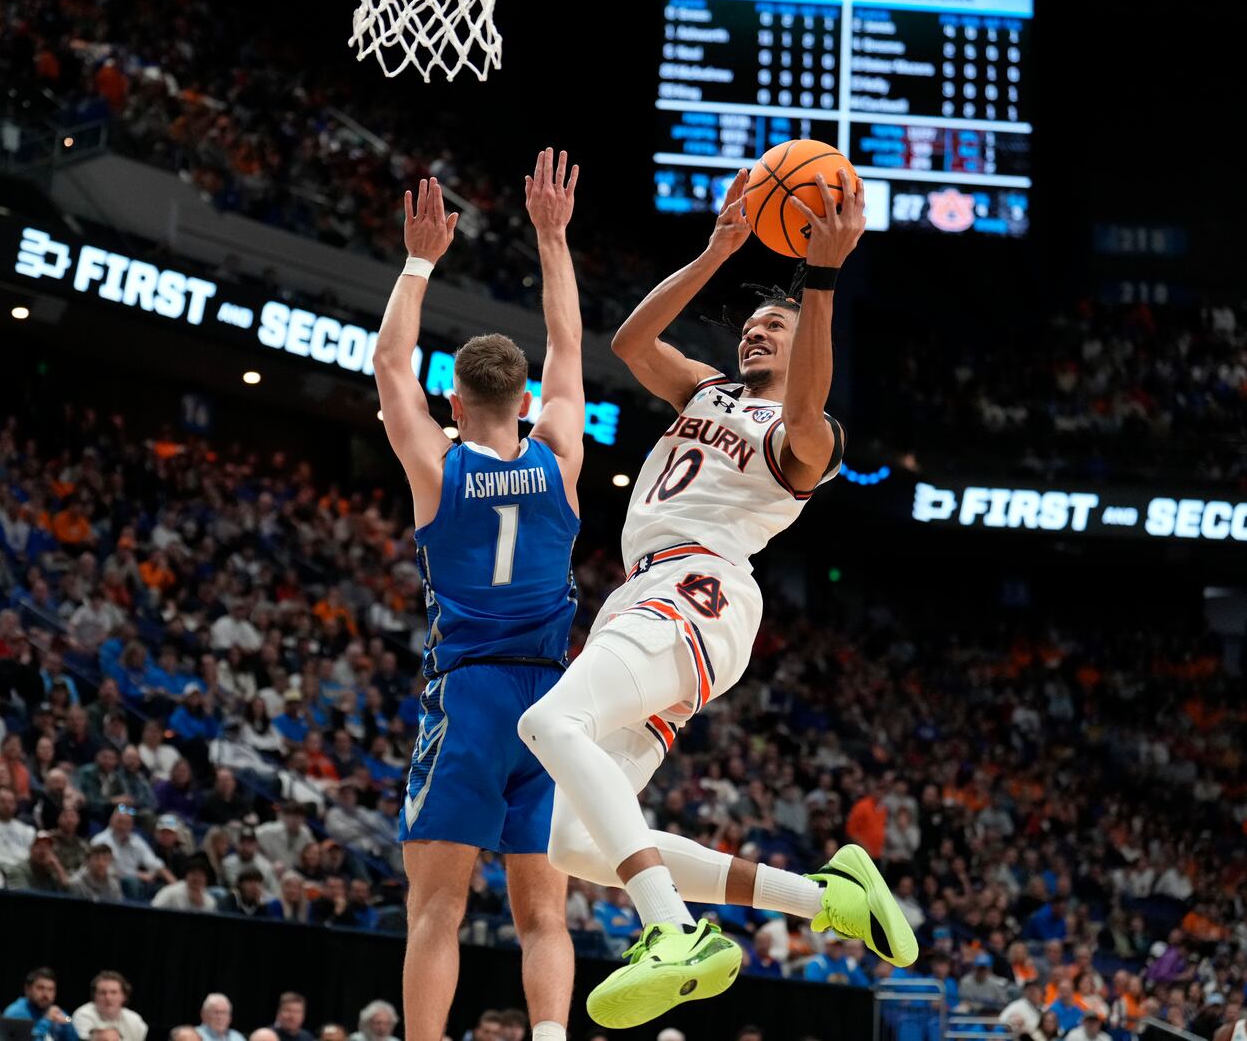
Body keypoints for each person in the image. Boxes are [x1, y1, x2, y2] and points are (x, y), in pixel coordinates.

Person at [515, 165, 913, 1027]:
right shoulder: (707, 390)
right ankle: (824, 897)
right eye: (753, 324)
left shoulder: (806, 438)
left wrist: (822, 283)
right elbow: (629, 341)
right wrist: (715, 250)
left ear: (808, 343)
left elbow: (811, 393)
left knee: (548, 725)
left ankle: (676, 932)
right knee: (570, 841)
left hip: (697, 593)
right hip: (651, 598)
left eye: (777, 326)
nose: (755, 335)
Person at [376, 155, 584, 1041]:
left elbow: (389, 360)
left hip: (469, 697)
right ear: (527, 399)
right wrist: (551, 235)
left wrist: (420, 262)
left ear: (453, 398)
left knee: (437, 910)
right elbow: (571, 344)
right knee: (544, 913)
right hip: (554, 702)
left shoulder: (437, 467)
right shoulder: (561, 455)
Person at [1, 968, 81, 1041]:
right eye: (40, 988)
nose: (46, 994)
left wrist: (67, 1024)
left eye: (50, 989)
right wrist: (46, 1020)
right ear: (27, 989)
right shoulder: (16, 1013)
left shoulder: (55, 1011)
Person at [72, 972, 147, 1041]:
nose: (108, 997)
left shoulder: (134, 1020)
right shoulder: (83, 1015)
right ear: (94, 996)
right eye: (102, 993)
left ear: (124, 996)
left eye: (113, 992)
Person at [151, 853, 217, 912]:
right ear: (186, 875)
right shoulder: (171, 891)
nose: (197, 878)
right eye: (194, 873)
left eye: (201, 875)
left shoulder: (210, 902)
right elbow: (154, 910)